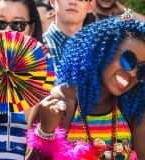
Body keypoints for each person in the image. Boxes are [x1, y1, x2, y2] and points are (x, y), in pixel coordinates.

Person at [26, 11, 145, 159]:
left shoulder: (132, 108)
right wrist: (45, 131)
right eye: (128, 60)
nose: (133, 73)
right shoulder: (59, 103)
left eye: (142, 69)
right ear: (102, 50)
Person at [0, 0, 49, 159]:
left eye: (18, 25)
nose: (7, 31)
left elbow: (38, 143)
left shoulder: (47, 75)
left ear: (31, 28)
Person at [43, 0, 96, 68]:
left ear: (90, 6)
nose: (73, 1)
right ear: (53, 1)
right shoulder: (37, 47)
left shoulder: (98, 50)